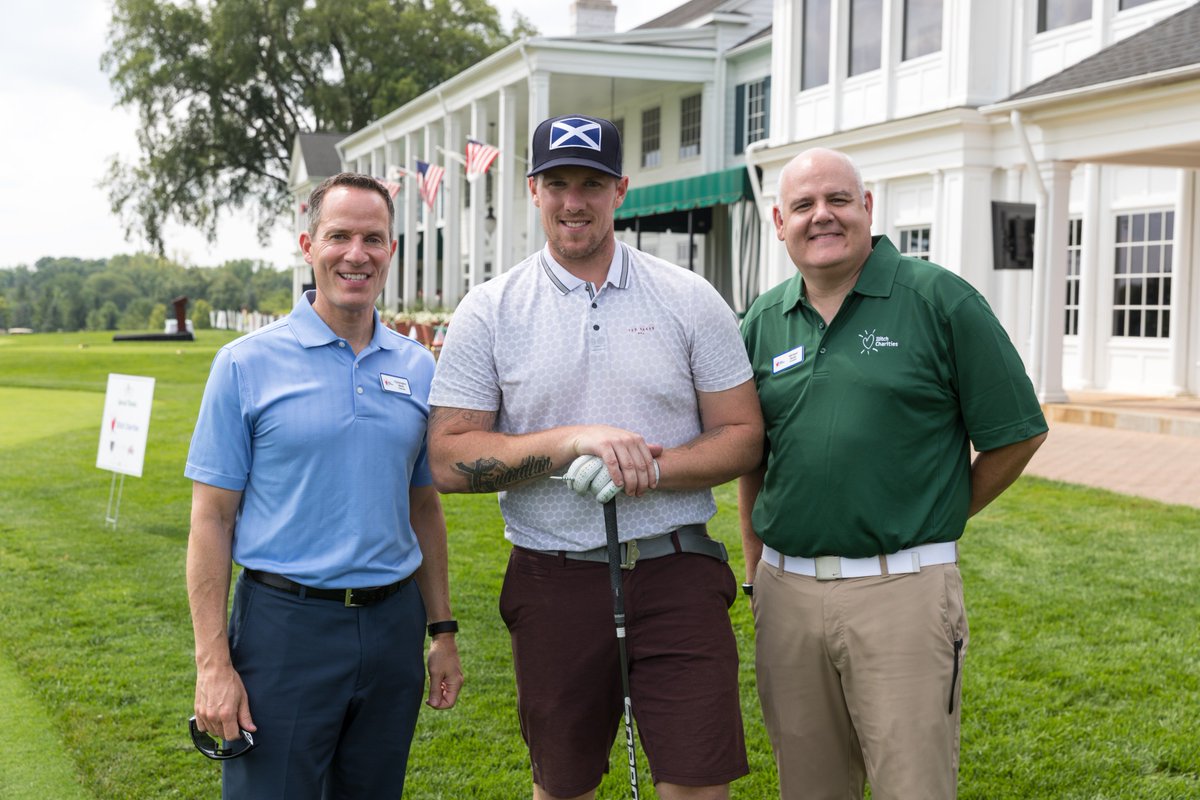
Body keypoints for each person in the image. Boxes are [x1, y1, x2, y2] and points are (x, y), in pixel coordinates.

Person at [427, 113, 762, 800]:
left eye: (591, 183)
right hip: (554, 580)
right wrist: (569, 443)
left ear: (622, 191)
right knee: (565, 785)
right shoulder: (490, 310)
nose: (573, 201)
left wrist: (650, 468)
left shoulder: (689, 299)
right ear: (533, 190)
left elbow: (742, 433)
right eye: (557, 183)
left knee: (698, 783)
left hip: (678, 571)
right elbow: (449, 459)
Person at [738, 147, 1048, 800]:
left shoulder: (939, 299)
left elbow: (1018, 433)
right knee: (809, 788)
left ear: (867, 209)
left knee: (913, 786)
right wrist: (754, 571)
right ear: (778, 222)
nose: (821, 216)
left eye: (838, 200)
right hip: (786, 598)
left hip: (903, 594)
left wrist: (939, 509)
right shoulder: (763, 321)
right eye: (803, 205)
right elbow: (752, 458)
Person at [185, 173, 463, 799]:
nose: (356, 254)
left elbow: (423, 505)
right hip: (286, 628)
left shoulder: (418, 367)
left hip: (393, 628)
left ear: (391, 251)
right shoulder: (244, 364)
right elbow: (212, 520)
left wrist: (441, 632)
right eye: (340, 236)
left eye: (373, 238)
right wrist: (213, 662)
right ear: (309, 244)